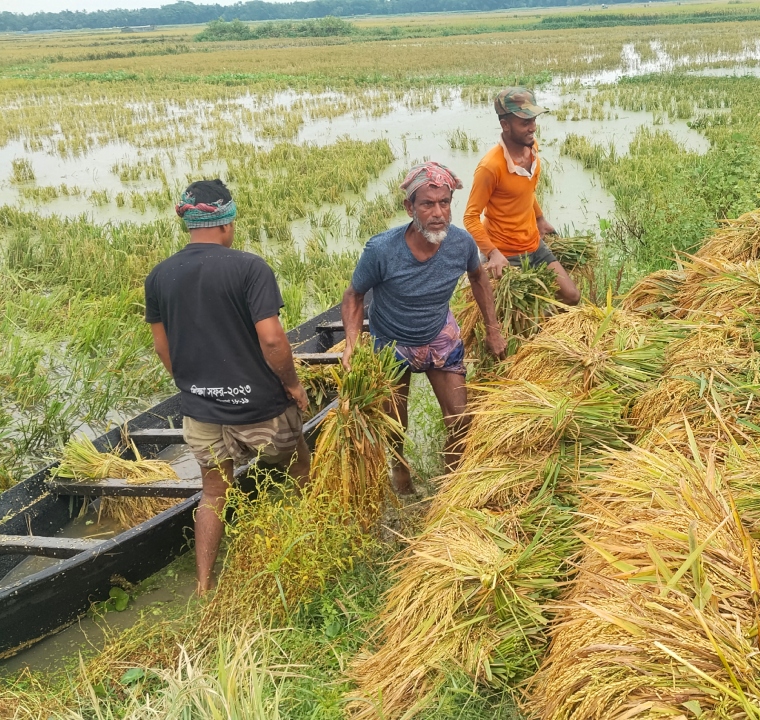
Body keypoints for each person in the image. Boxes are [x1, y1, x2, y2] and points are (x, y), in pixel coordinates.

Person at [144, 179, 310, 596]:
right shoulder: (249, 268)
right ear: (227, 221)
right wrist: (292, 384)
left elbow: (163, 349)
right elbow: (272, 340)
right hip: (261, 409)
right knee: (300, 469)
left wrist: (198, 388)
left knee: (214, 492)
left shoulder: (160, 277)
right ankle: (308, 546)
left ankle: (203, 584)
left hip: (201, 413)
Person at [342, 162, 506, 494]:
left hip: (438, 335)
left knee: (461, 420)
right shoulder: (382, 250)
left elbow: (478, 277)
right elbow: (354, 295)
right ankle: (400, 472)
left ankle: (451, 482)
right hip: (393, 341)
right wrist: (350, 344)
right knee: (394, 424)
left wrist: (493, 328)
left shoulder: (460, 244)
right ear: (409, 207)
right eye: (427, 204)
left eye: (444, 202)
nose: (438, 213)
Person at [463, 86, 580, 306]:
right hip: (506, 254)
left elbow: (526, 191)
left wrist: (540, 219)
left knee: (571, 296)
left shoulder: (532, 148)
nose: (532, 128)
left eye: (534, 120)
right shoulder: (490, 167)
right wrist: (493, 253)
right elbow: (470, 217)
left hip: (534, 244)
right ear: (505, 125)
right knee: (518, 314)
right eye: (525, 122)